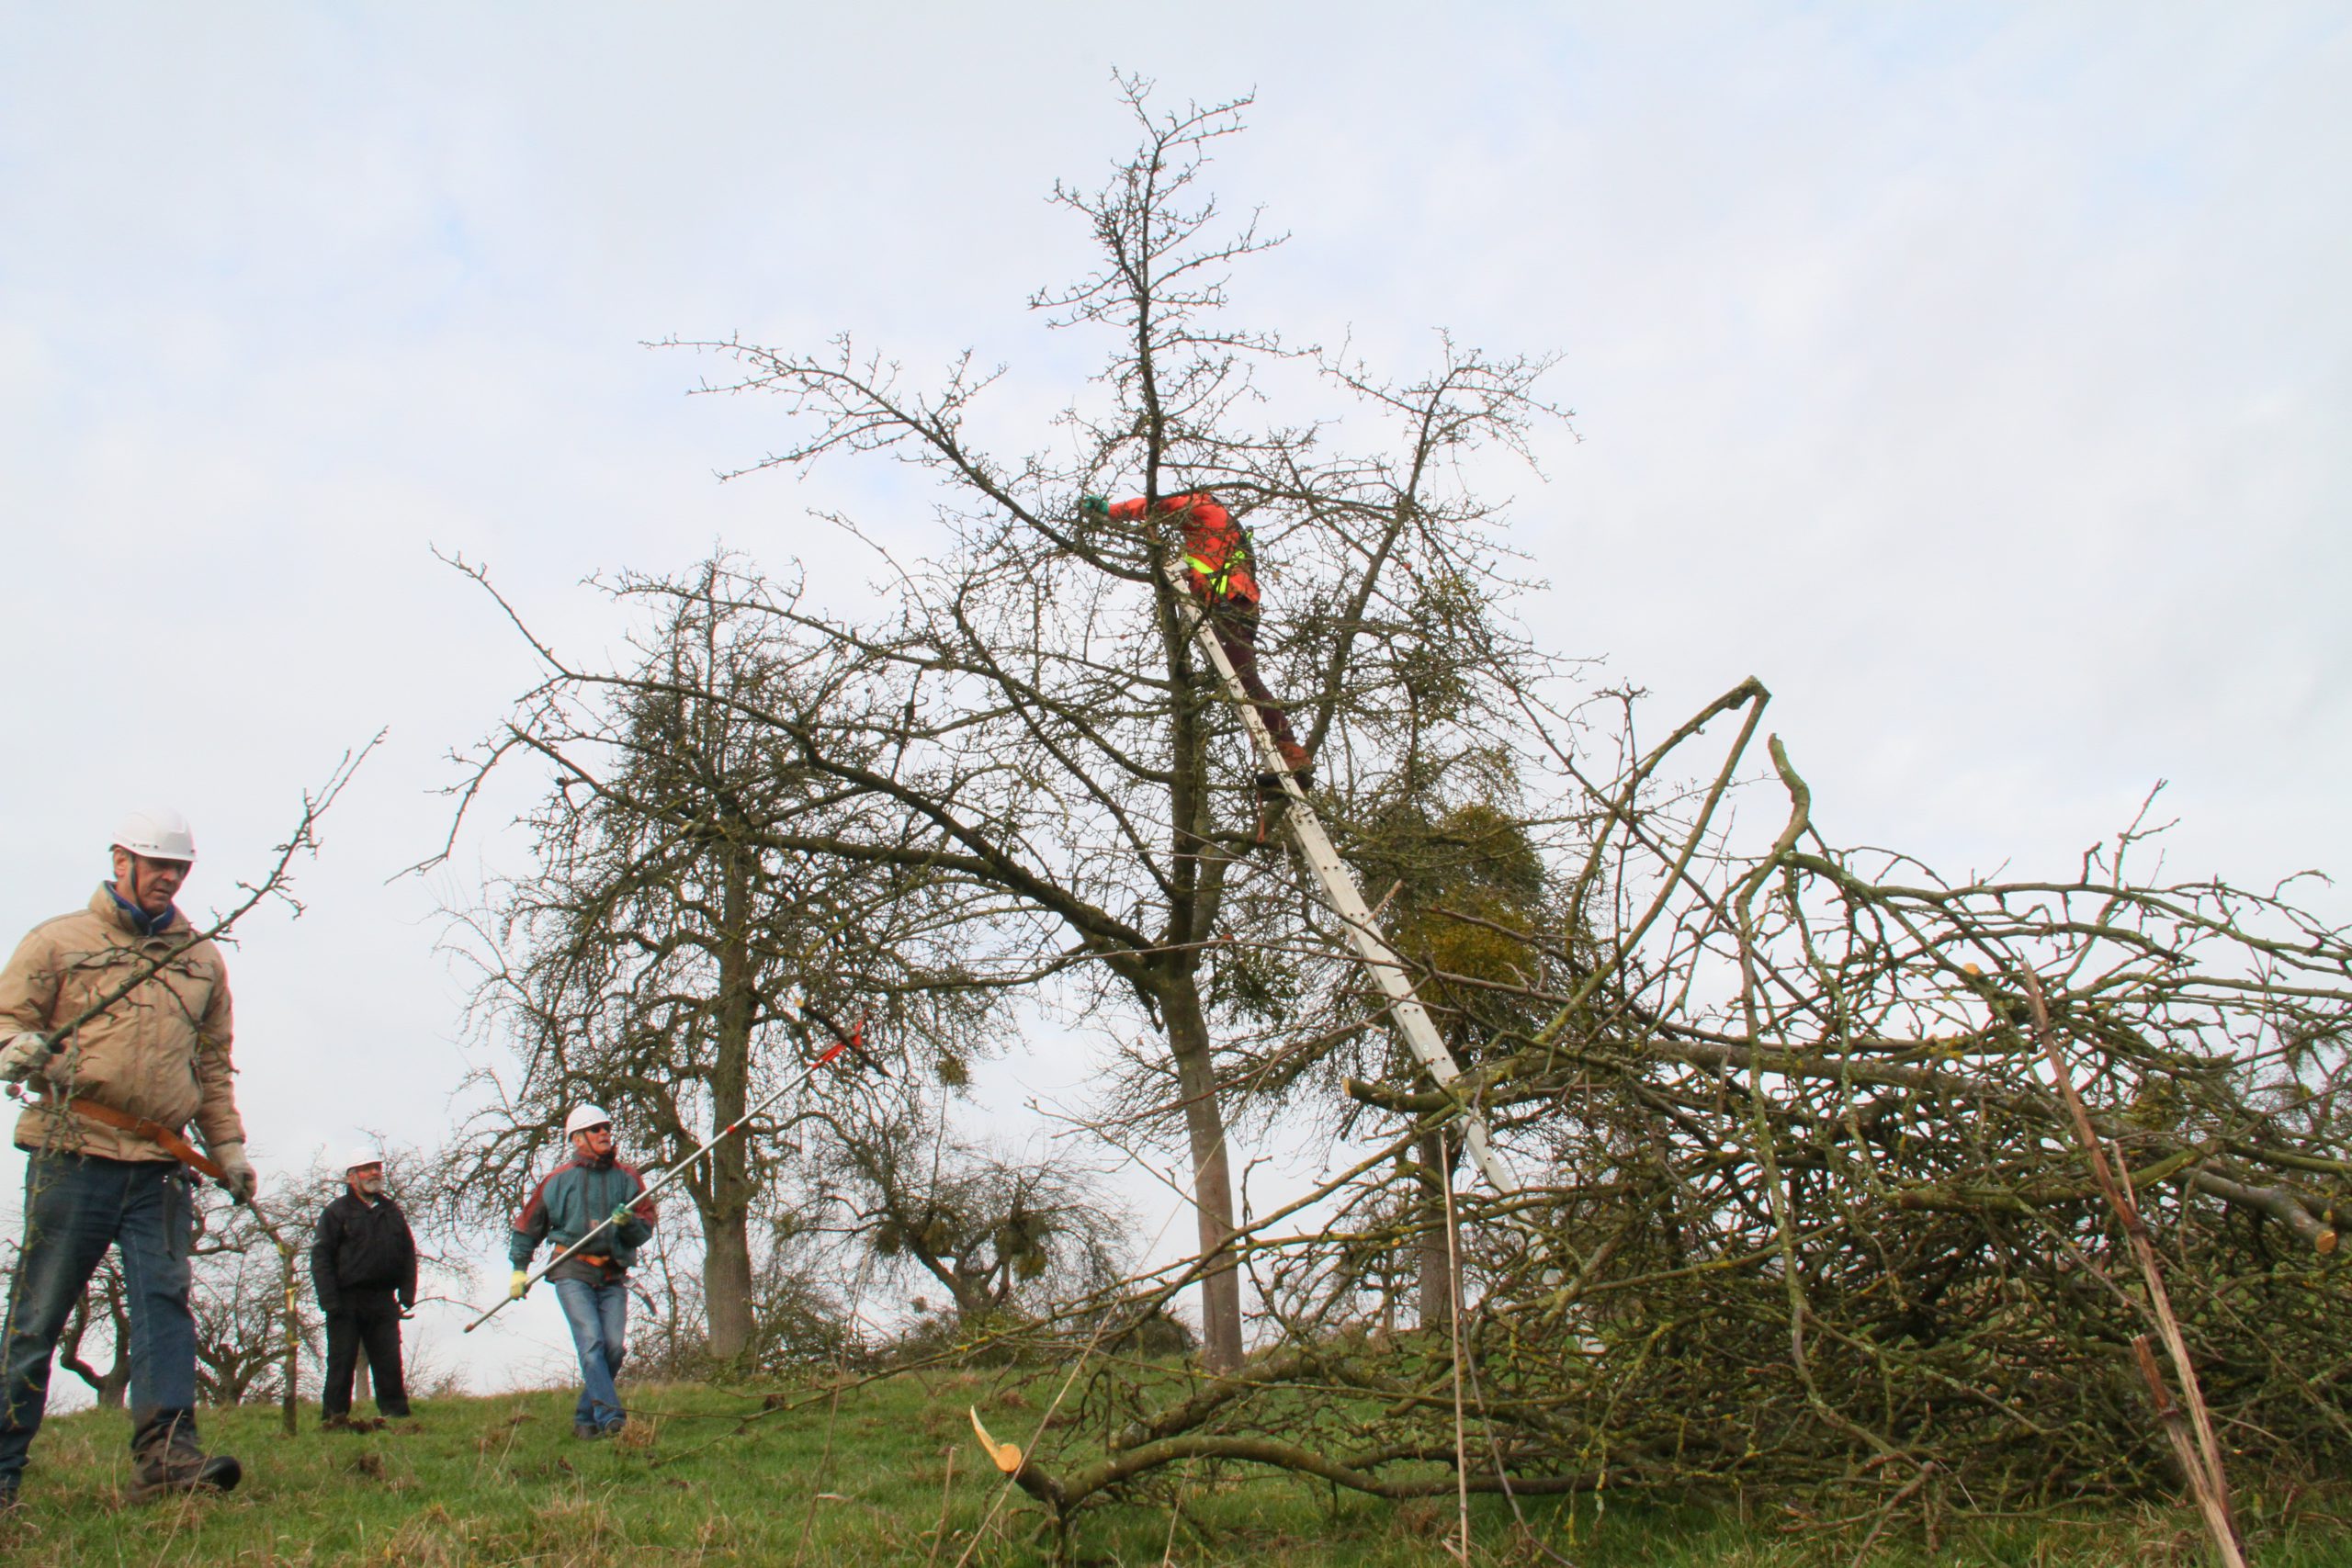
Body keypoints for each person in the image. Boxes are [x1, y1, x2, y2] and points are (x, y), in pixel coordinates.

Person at [0, 808, 253, 1508]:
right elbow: (7, 1021)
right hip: (71, 1148)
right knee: (38, 1313)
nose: (168, 879)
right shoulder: (57, 942)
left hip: (160, 1162)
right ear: (120, 860)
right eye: (156, 865)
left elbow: (212, 1062)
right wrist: (15, 1049)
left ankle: (168, 1457)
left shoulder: (200, 957)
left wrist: (226, 1146)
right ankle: (2, 1469)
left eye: (180, 868)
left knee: (166, 1307)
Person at [1085, 490, 1312, 783]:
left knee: (1243, 678)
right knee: (1241, 681)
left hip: (1227, 601)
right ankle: (1281, 760)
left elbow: (1159, 505)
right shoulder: (1213, 533)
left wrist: (1111, 511)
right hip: (1232, 601)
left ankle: (1289, 750)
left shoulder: (1203, 509)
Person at [508, 1104, 654, 1439]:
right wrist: (519, 1269)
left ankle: (585, 1417)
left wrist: (628, 1223)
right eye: (595, 1129)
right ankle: (611, 1418)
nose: (604, 1133)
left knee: (613, 1348)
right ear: (577, 1138)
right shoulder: (558, 1181)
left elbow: (645, 1226)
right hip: (571, 1271)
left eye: (606, 1127)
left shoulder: (628, 1178)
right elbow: (529, 1226)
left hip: (613, 1274)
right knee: (591, 1341)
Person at [311, 1147, 418, 1431]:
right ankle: (334, 1418)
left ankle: (397, 1417)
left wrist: (407, 1293)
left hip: (383, 1299)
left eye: (377, 1167)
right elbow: (320, 1257)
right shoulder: (336, 1212)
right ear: (351, 1177)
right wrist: (329, 1299)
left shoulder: (391, 1211)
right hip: (346, 1300)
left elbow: (408, 1251)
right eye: (367, 1168)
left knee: (389, 1362)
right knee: (341, 1362)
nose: (375, 1173)